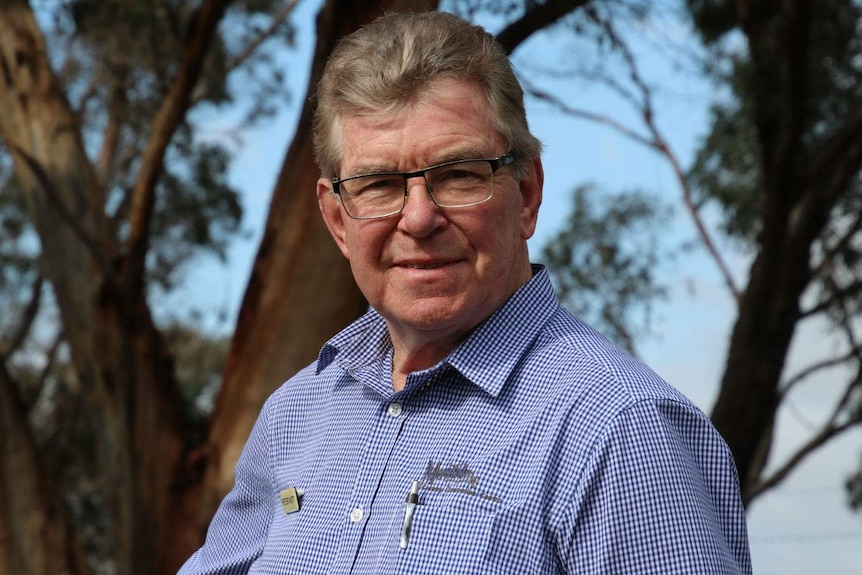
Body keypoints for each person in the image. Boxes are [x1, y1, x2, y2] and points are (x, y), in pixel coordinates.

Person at [178, 10, 751, 575]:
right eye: (378, 184)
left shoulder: (621, 431)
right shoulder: (298, 414)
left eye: (458, 175)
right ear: (336, 219)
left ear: (526, 194)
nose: (420, 218)